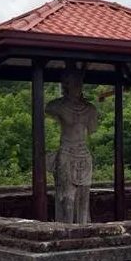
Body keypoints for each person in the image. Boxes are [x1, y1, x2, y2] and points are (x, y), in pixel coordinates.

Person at [46, 64, 99, 224]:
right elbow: (48, 108)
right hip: (66, 153)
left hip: (84, 154)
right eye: (71, 82)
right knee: (66, 198)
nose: (76, 86)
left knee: (83, 199)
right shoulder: (58, 106)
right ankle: (66, 229)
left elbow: (92, 129)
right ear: (65, 85)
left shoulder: (90, 109)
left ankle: (83, 228)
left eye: (78, 82)